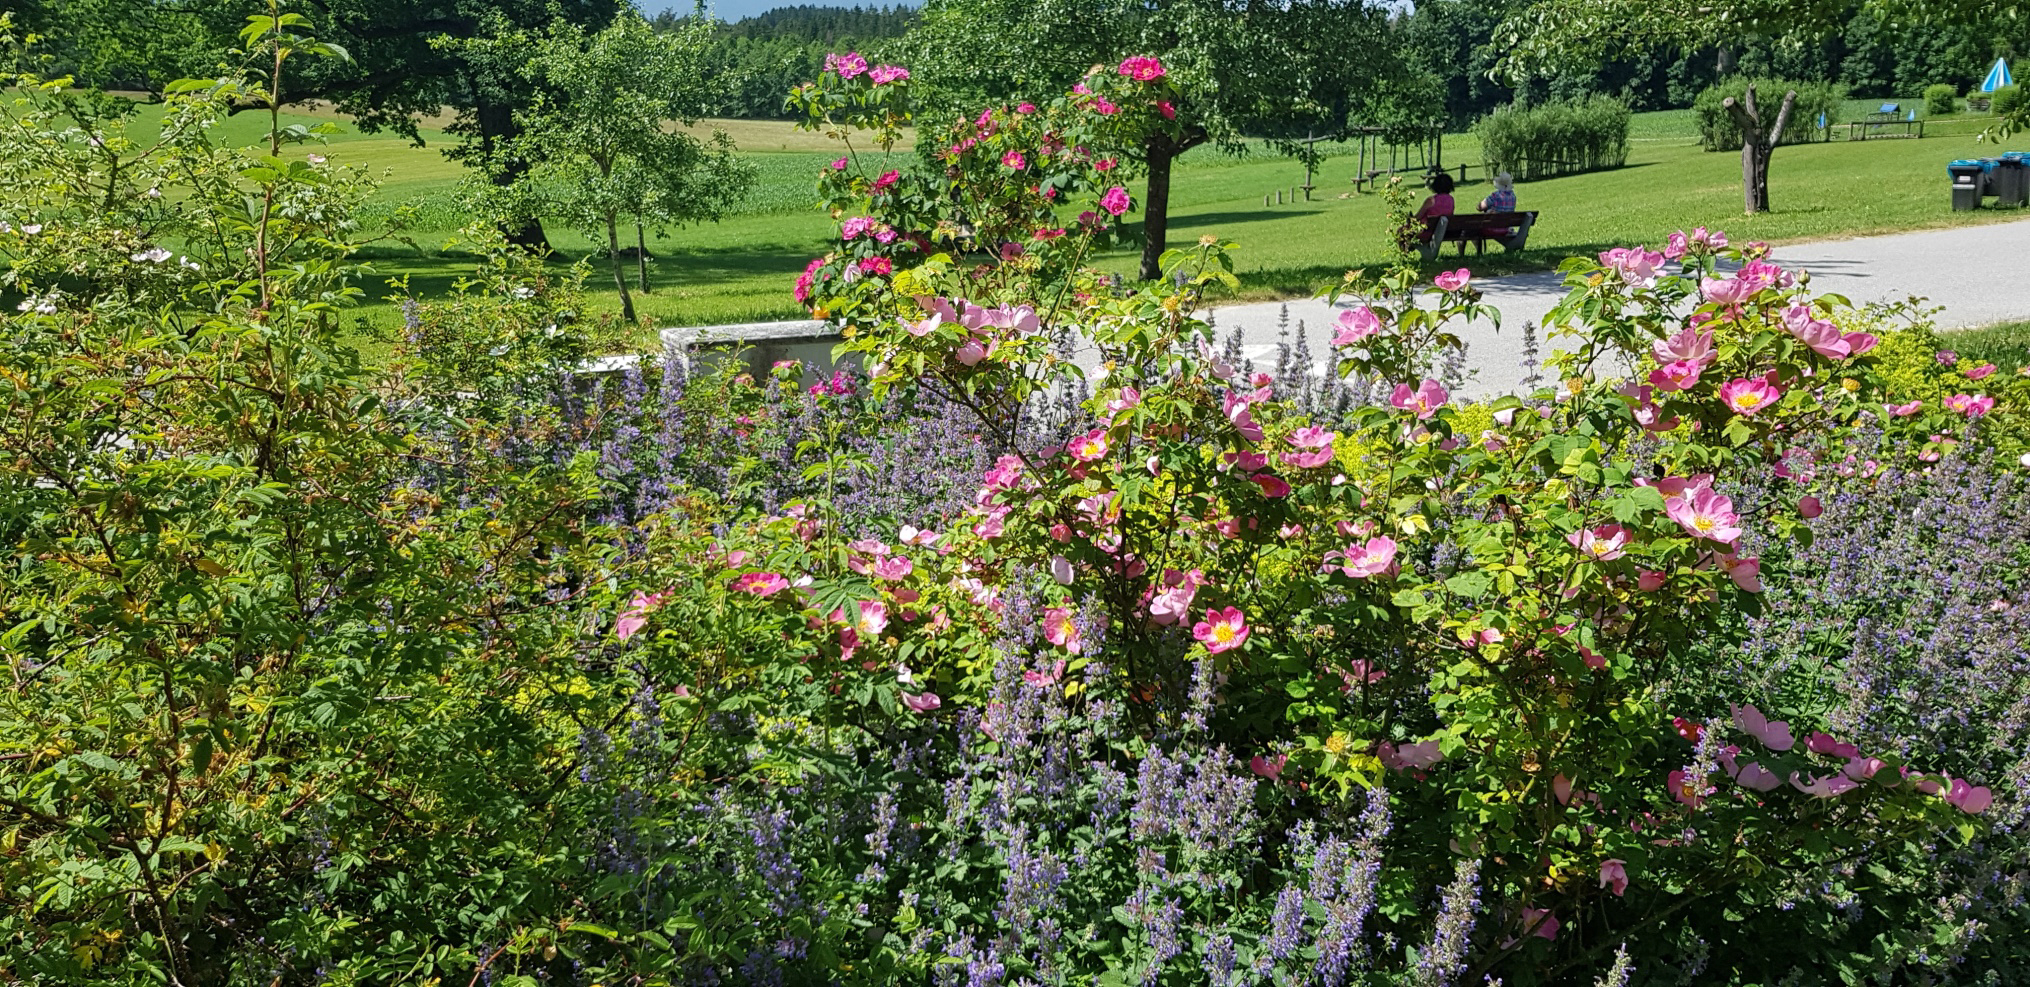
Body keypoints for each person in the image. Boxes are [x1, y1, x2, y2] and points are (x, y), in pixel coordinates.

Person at [1478, 172, 1516, 238]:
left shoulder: (1496, 196)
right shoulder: (1513, 197)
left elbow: (1480, 207)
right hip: (1506, 229)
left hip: (1492, 229)